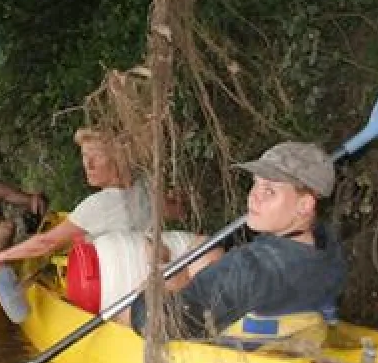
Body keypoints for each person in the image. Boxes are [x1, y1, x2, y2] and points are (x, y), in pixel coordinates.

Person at [121, 141, 347, 343]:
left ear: (304, 206)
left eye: (269, 191)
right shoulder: (329, 253)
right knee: (204, 253)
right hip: (281, 338)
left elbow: (160, 324)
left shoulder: (248, 266)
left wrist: (149, 293)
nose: (253, 197)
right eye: (255, 185)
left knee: (129, 309)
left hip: (232, 357)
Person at [0, 128, 152, 265]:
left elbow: (46, 243)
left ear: (118, 159)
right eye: (84, 156)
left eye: (97, 156)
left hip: (117, 284)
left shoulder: (98, 205)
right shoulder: (144, 188)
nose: (88, 165)